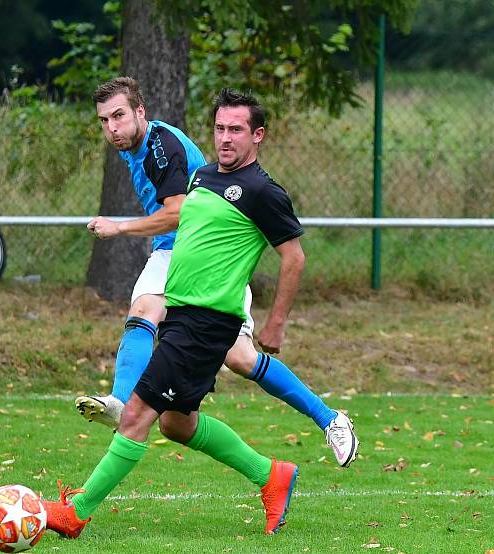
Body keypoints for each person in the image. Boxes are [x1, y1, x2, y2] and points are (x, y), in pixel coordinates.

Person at [45, 88, 309, 539]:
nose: (224, 138)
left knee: (136, 417)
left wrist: (276, 321)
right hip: (185, 313)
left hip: (205, 322)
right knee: (176, 423)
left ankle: (77, 513)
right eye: (220, 128)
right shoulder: (205, 175)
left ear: (257, 135)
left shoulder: (262, 190)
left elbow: (294, 257)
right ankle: (271, 475)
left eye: (236, 129)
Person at [76, 77, 358, 468]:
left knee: (162, 322)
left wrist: (120, 227)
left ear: (141, 112)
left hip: (201, 260)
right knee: (229, 366)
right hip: (181, 257)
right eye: (105, 121)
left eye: (119, 116)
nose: (112, 128)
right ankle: (300, 445)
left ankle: (329, 419)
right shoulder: (139, 147)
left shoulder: (162, 146)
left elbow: (176, 212)